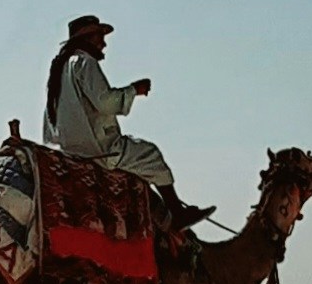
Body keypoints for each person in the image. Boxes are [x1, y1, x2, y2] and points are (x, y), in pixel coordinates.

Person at [43, 16, 211, 220]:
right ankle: (178, 213)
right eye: (99, 37)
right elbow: (105, 102)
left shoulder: (60, 69)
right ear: (88, 38)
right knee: (151, 155)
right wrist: (133, 90)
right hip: (98, 150)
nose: (103, 44)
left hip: (70, 150)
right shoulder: (85, 62)